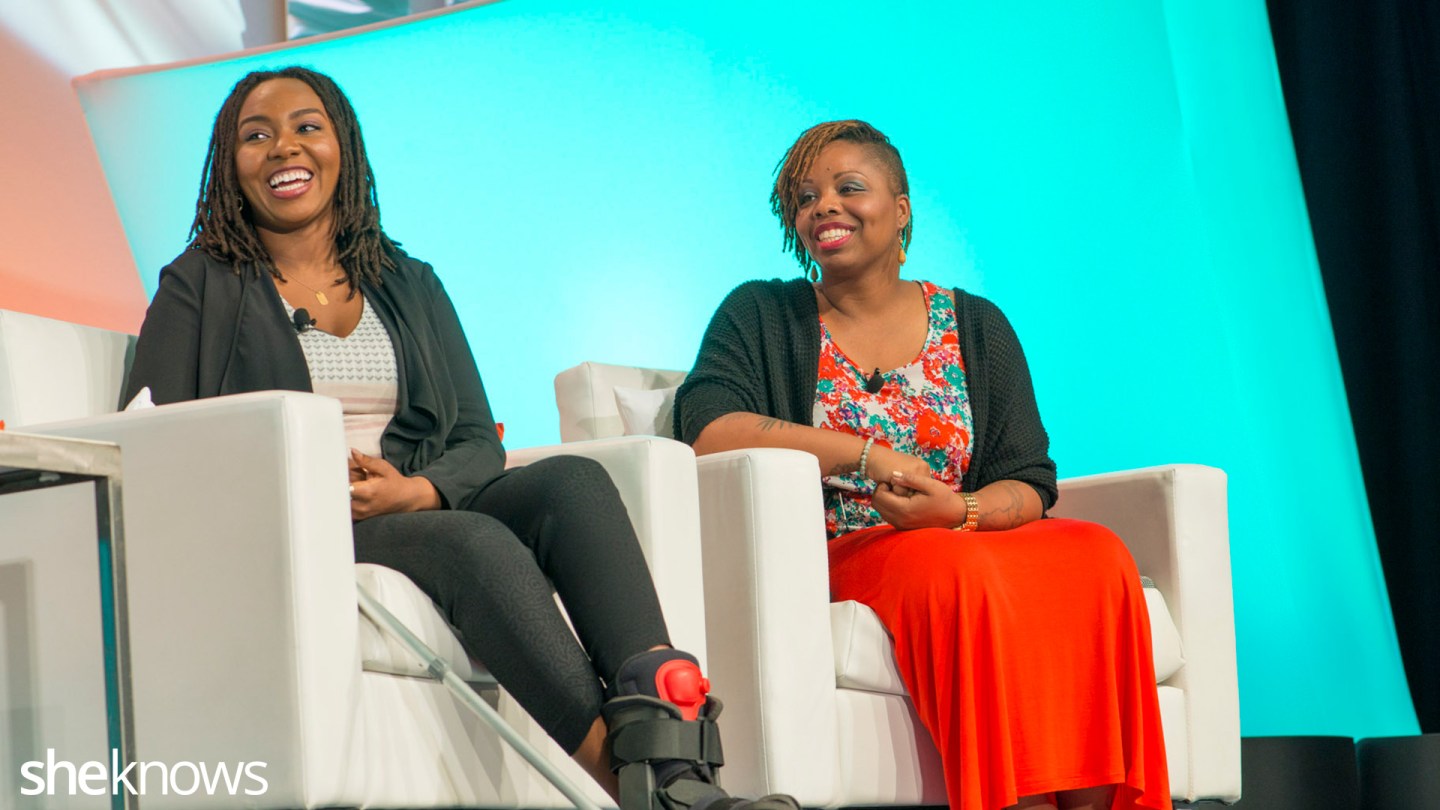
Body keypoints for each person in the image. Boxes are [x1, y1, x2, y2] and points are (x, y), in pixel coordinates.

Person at [124, 65, 794, 810]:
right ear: (229, 164)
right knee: (474, 541)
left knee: (574, 483)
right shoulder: (198, 284)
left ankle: (681, 763)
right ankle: (652, 793)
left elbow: (477, 436)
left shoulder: (408, 281)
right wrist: (298, 484)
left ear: (343, 146)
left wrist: (416, 490)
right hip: (305, 522)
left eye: (307, 127)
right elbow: (152, 436)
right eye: (256, 135)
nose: (285, 148)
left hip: (414, 501)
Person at [673, 120, 1171, 810]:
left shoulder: (975, 325)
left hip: (954, 530)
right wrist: (867, 455)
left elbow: (1028, 478)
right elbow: (708, 428)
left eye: (849, 187)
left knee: (1097, 552)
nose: (824, 207)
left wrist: (959, 511)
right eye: (807, 196)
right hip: (846, 546)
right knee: (954, 570)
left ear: (901, 208)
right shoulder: (762, 313)